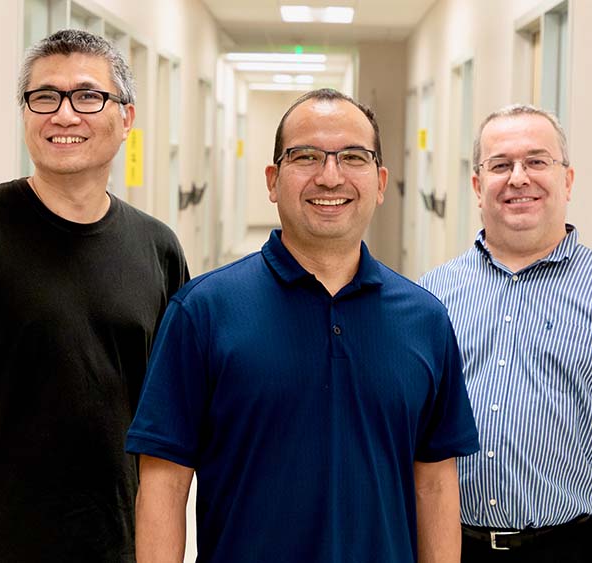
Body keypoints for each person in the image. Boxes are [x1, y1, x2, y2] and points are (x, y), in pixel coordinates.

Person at [126, 88, 480, 563]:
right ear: (273, 181)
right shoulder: (204, 312)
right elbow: (165, 483)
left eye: (352, 157)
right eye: (305, 156)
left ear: (379, 182)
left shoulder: (425, 320)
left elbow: (435, 484)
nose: (329, 176)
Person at [0, 29, 188, 563]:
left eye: (88, 96)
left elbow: (164, 410)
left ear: (127, 118)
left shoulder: (156, 248)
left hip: (111, 540)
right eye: (43, 97)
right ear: (25, 113)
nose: (64, 115)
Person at [418, 104, 592, 563]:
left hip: (570, 547)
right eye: (500, 165)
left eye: (537, 161)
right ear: (478, 186)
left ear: (568, 179)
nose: (518, 177)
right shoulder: (429, 299)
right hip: (449, 547)